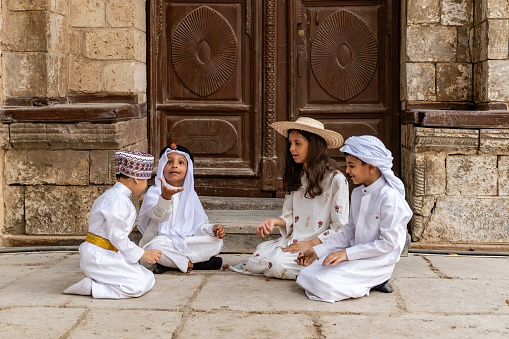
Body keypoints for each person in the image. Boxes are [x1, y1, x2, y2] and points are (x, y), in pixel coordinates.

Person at [291, 135, 413, 303]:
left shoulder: (390, 199)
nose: (347, 171)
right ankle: (362, 282)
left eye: (351, 166)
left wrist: (346, 254)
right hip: (355, 256)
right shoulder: (357, 193)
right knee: (305, 275)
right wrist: (317, 251)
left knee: (324, 285)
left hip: (377, 262)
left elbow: (388, 244)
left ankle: (376, 281)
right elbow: (348, 233)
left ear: (371, 167)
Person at [231, 117, 349, 279]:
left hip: (320, 245)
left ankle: (317, 267)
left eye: (298, 143)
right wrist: (275, 222)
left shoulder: (336, 179)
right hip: (294, 240)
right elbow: (291, 213)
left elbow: (340, 226)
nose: (292, 148)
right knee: (257, 256)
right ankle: (310, 270)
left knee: (277, 264)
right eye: (290, 143)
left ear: (314, 145)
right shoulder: (296, 175)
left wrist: (310, 243)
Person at [64, 150, 161, 299]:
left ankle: (100, 280)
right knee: (138, 286)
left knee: (148, 277)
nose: (145, 185)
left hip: (108, 253)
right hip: (98, 256)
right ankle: (91, 288)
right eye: (146, 180)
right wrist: (142, 254)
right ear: (136, 178)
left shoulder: (114, 196)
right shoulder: (118, 201)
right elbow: (117, 237)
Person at [138, 143, 225, 274]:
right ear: (162, 166)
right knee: (153, 248)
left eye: (181, 163)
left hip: (185, 240)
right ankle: (190, 263)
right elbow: (158, 216)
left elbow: (198, 226)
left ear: (188, 170)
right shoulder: (154, 192)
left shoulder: (191, 195)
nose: (175, 165)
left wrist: (212, 229)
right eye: (169, 162)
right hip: (162, 241)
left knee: (216, 242)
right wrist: (165, 198)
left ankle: (169, 264)